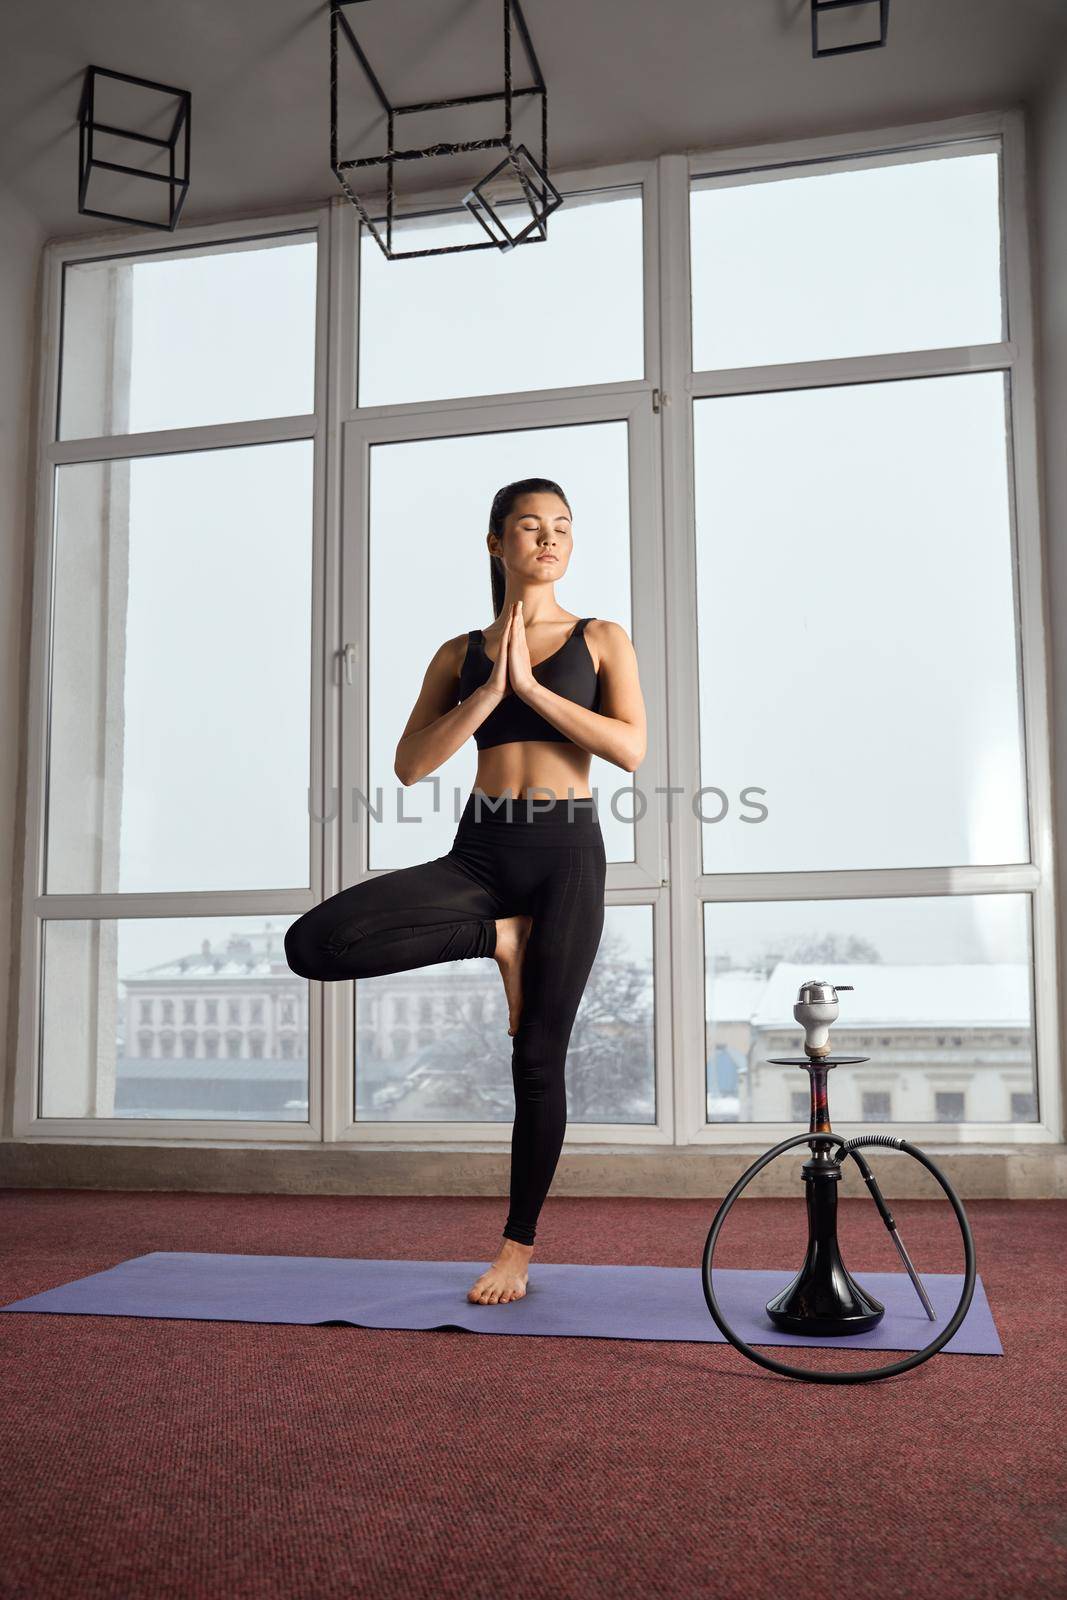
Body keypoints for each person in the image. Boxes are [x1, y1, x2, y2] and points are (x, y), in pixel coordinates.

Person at [284, 477, 647, 1305]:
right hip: (480, 851)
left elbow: (631, 749)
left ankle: (515, 1251)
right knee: (313, 945)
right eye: (529, 527)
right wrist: (488, 689)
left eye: (561, 527)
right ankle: (499, 939)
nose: (548, 540)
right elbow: (411, 766)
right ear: (496, 543)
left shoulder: (600, 638)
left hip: (564, 857)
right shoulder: (459, 653)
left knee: (536, 1059)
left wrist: (533, 690)